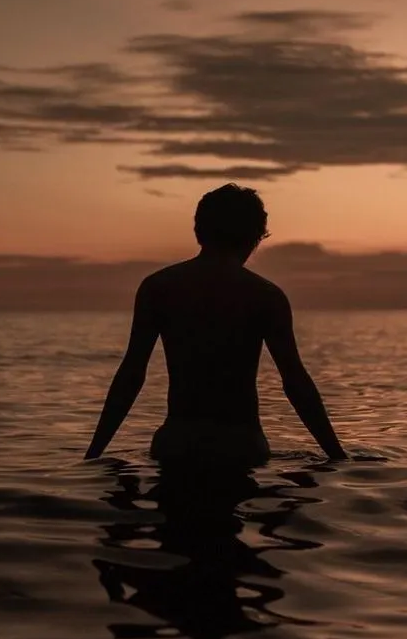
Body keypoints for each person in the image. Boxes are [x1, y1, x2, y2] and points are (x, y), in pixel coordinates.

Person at [84, 184, 347, 465]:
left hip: (176, 443)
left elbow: (131, 374)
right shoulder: (265, 296)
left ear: (198, 232)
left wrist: (93, 455)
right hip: (241, 444)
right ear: (254, 238)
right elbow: (295, 381)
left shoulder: (157, 287)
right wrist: (338, 456)